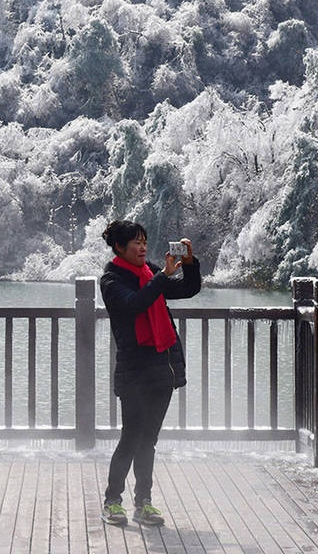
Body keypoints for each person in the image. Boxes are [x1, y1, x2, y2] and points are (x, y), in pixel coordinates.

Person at [99, 219, 201, 527]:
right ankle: (112, 500)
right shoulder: (111, 280)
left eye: (145, 241)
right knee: (131, 437)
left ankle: (144, 502)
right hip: (134, 372)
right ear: (119, 247)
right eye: (136, 242)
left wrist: (190, 263)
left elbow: (187, 289)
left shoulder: (150, 272)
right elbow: (134, 304)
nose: (143, 247)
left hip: (162, 368)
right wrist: (161, 277)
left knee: (148, 441)